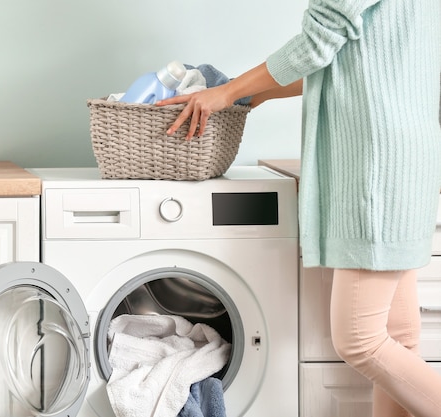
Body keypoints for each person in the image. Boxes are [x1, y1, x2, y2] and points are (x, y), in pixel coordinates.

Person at [157, 1, 441, 416]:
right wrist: (249, 92)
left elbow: (316, 43)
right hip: (406, 157)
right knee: (398, 339)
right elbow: (344, 60)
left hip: (373, 162)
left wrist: (229, 92)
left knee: (360, 340)